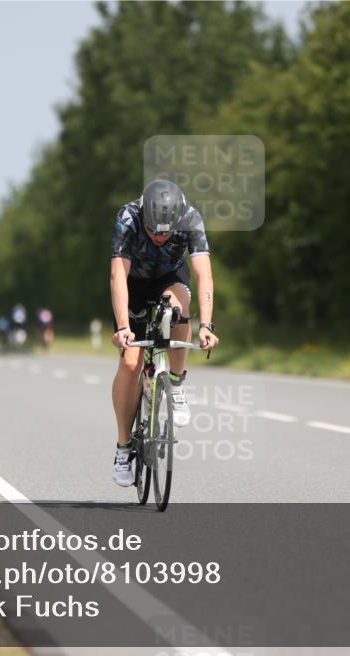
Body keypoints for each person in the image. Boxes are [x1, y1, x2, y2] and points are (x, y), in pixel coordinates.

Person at [109, 179, 220, 486]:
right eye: (153, 231)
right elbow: (118, 274)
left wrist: (207, 325)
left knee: (178, 309)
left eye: (165, 232)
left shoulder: (190, 218)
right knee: (130, 364)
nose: (159, 237)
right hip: (134, 284)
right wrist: (122, 327)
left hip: (170, 278)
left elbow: (204, 276)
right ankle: (123, 448)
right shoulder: (128, 218)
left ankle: (176, 381)